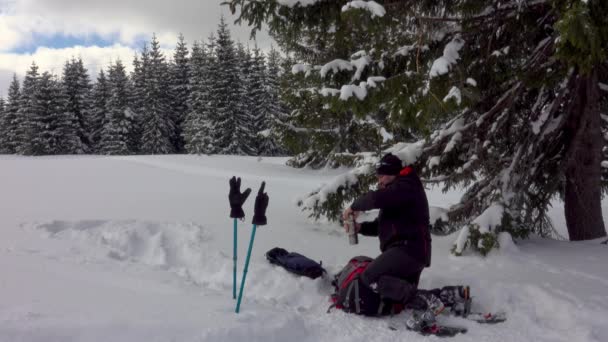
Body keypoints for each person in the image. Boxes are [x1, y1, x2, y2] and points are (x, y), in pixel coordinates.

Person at [342, 153, 468, 330]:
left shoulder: (406, 186)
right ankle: (452, 296)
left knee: (370, 277)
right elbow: (381, 226)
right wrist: (360, 228)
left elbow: (377, 198)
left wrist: (354, 206)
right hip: (409, 252)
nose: (379, 180)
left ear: (393, 172)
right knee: (401, 293)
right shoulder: (397, 193)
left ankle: (430, 301)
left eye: (382, 175)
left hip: (408, 250)